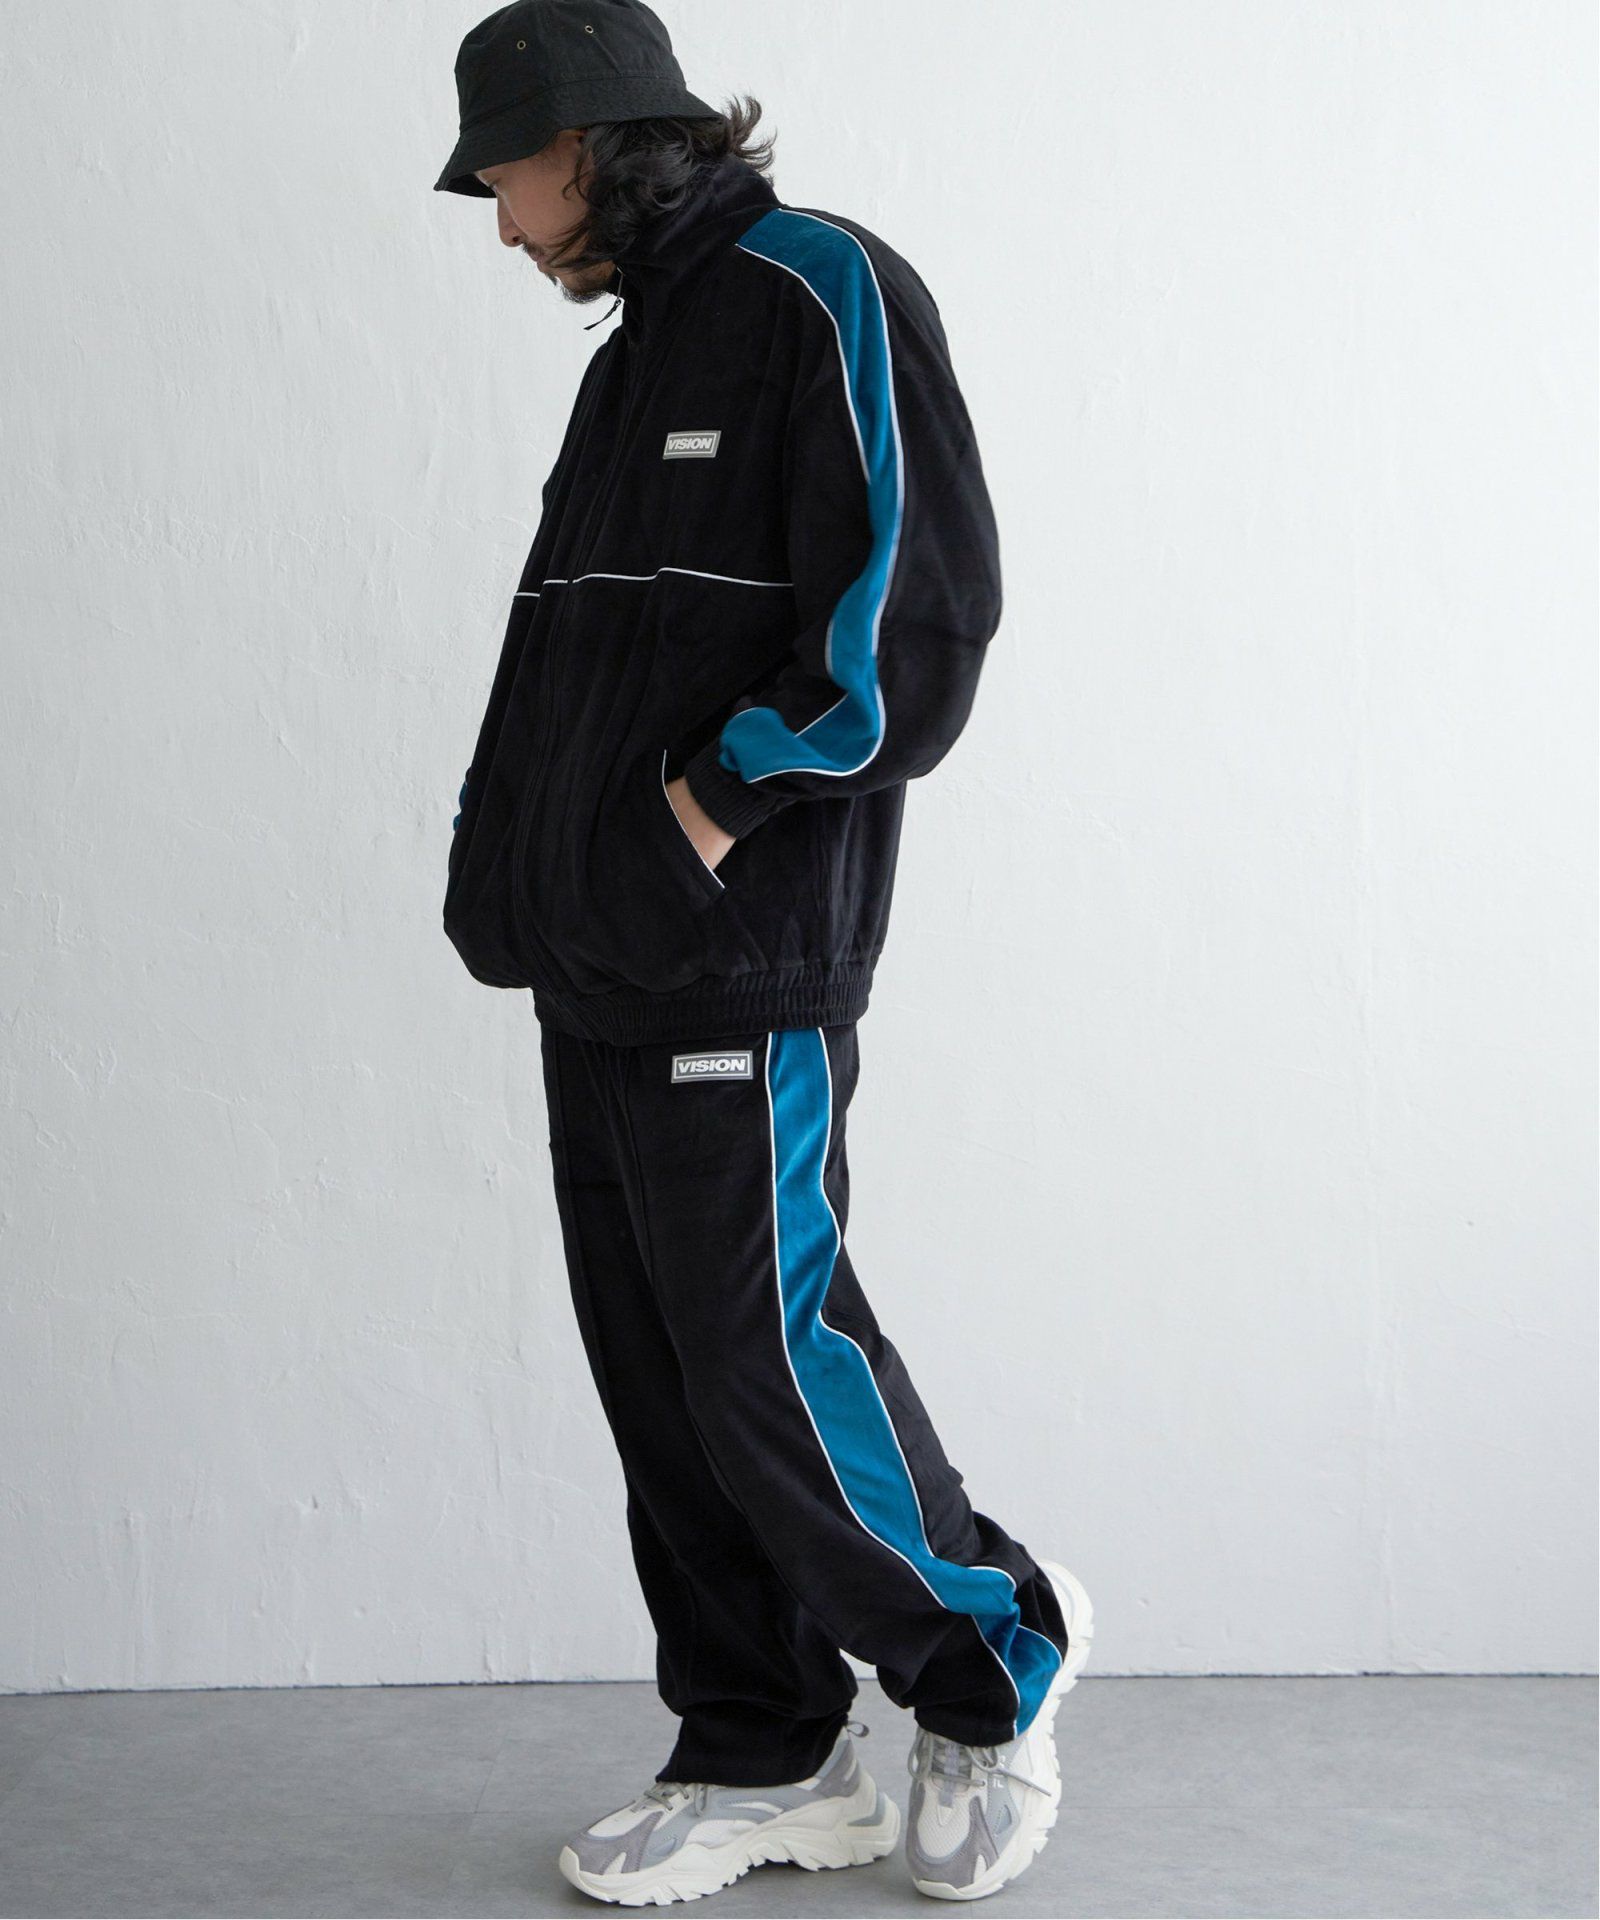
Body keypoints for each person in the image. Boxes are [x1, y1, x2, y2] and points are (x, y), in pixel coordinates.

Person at [434, 0, 1094, 1903]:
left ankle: (988, 1661)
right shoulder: (636, 355)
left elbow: (913, 623)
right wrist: (518, 872)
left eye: (506, 178)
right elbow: (564, 659)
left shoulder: (822, 289)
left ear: (593, 140)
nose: (501, 223)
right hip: (597, 954)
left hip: (740, 950)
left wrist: (704, 815)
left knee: (761, 1353)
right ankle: (763, 1747)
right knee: (660, 1375)